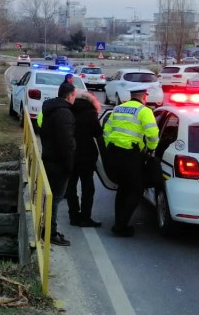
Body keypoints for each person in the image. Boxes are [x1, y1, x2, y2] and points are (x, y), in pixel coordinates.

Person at [103, 87, 159, 237]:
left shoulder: (118, 108)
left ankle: (118, 222)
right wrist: (151, 149)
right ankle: (121, 226)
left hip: (114, 153)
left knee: (123, 189)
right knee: (135, 189)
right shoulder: (144, 111)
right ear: (143, 97)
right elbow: (153, 133)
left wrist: (110, 145)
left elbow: (107, 130)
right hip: (131, 155)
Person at [37, 81, 77, 246]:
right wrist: (70, 166)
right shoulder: (64, 113)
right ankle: (50, 232)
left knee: (50, 197)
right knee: (55, 198)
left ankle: (47, 228)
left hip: (48, 156)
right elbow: (66, 143)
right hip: (59, 163)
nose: (75, 98)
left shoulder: (50, 109)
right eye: (74, 95)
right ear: (69, 96)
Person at [66, 91, 103, 227]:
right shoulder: (90, 112)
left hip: (71, 153)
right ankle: (85, 217)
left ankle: (73, 216)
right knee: (88, 187)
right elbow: (98, 133)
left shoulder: (68, 111)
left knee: (71, 186)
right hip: (87, 155)